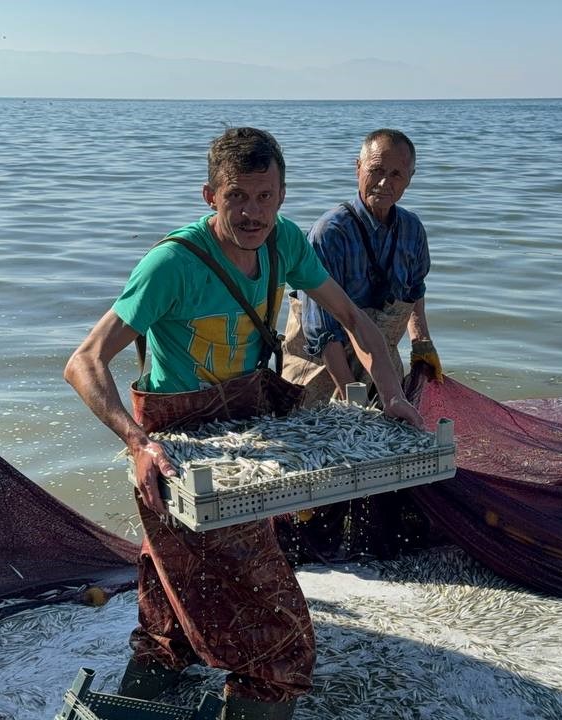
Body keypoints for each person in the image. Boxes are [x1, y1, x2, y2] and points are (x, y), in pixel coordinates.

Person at [63, 127, 423, 720]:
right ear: (211, 195)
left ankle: (147, 683)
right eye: (238, 197)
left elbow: (353, 318)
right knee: (277, 628)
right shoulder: (172, 265)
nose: (253, 213)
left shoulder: (285, 244)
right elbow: (84, 361)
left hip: (247, 425)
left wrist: (392, 396)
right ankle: (255, 694)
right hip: (174, 439)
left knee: (170, 591)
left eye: (265, 196)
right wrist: (137, 443)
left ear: (281, 196)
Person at [278, 129, 440, 562]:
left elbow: (415, 288)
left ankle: (372, 548)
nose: (385, 183)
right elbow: (324, 330)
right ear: (357, 170)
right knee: (321, 464)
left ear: (410, 178)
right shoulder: (329, 233)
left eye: (397, 174)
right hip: (318, 363)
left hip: (381, 356)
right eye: (376, 171)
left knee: (384, 460)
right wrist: (349, 398)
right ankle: (313, 552)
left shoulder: (412, 230)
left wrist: (420, 341)